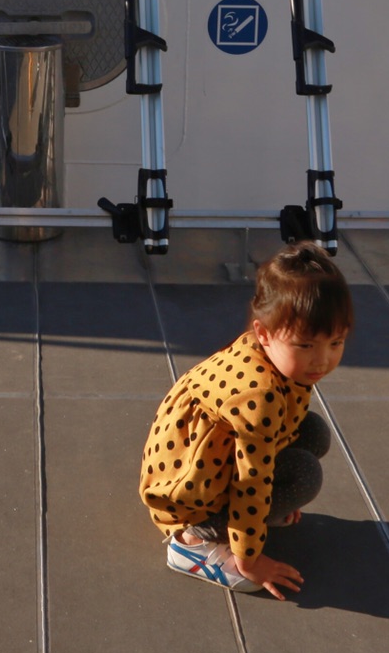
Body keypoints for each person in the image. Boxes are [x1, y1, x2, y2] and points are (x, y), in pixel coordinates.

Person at [138, 243, 353, 598]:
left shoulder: (266, 352)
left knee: (313, 432)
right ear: (264, 333)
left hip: (204, 461)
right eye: (305, 346)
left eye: (336, 342)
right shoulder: (259, 397)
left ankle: (235, 523)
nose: (323, 359)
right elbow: (251, 483)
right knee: (304, 474)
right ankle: (192, 543)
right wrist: (249, 559)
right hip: (184, 497)